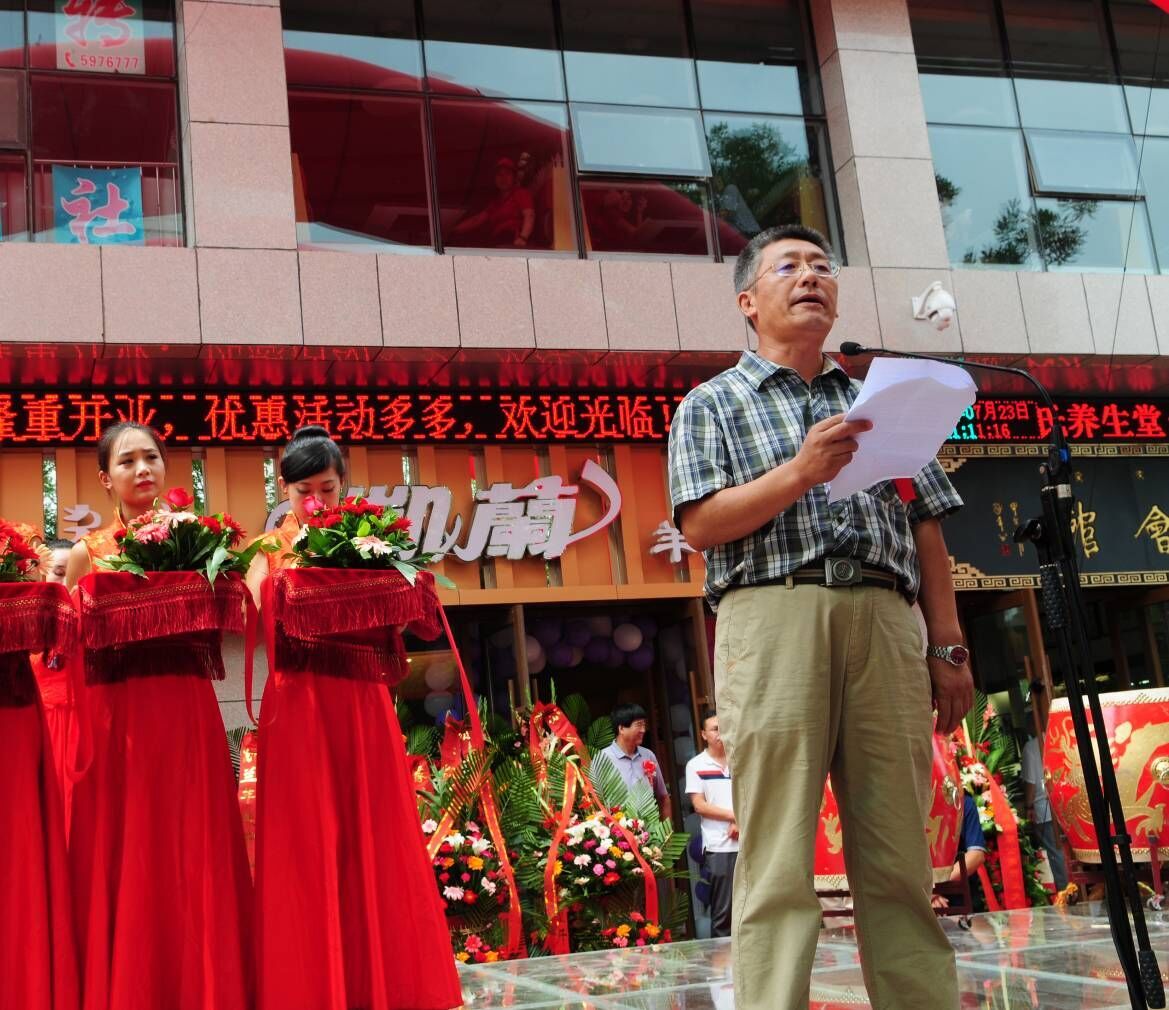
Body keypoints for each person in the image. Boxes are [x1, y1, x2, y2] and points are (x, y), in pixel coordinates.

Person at [668, 224, 972, 1010]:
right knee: (775, 854)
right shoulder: (711, 403)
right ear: (747, 301)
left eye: (821, 266)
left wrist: (947, 646)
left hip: (884, 616)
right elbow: (700, 525)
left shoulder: (877, 401)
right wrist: (801, 471)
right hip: (772, 615)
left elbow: (926, 527)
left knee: (897, 853)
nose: (810, 276)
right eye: (788, 267)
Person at [247, 425, 463, 1010]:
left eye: (327, 489)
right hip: (298, 708)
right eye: (303, 493)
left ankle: (386, 985)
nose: (317, 503)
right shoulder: (266, 550)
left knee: (375, 834)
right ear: (284, 490)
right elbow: (256, 615)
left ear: (343, 485)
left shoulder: (370, 541)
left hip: (362, 706)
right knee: (305, 842)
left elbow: (413, 619)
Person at [65, 421, 253, 1010]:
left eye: (151, 457)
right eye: (127, 462)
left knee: (192, 840)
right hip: (119, 719)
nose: (142, 469)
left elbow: (234, 616)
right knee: (133, 847)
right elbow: (66, 646)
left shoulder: (199, 542)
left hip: (187, 712)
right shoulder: (89, 553)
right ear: (105, 479)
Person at [0, 519, 80, 1010]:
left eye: (62, 573)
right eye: (49, 570)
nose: (54, 580)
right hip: (40, 724)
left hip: (64, 731)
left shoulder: (64, 624)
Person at [31, 537, 79, 838]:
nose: (65, 582)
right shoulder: (23, 624)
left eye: (74, 574)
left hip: (83, 736)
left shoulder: (91, 623)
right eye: (59, 572)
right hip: (39, 732)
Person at [685, 710, 738, 937]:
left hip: (750, 843)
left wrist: (741, 822)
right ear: (703, 734)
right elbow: (700, 806)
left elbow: (754, 797)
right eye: (715, 729)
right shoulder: (696, 765)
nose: (720, 733)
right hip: (719, 846)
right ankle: (722, 960)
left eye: (723, 727)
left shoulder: (741, 760)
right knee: (723, 915)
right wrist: (736, 817)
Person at [596, 701, 671, 821]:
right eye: (638, 725)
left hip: (650, 829)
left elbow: (663, 797)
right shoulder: (602, 758)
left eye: (644, 725)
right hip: (618, 830)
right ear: (621, 728)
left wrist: (667, 830)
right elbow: (595, 803)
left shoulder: (648, 755)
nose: (643, 730)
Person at [449, 156, 535, 248]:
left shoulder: (521, 193)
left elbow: (529, 215)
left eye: (507, 174)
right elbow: (476, 220)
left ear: (514, 177)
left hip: (511, 240)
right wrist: (452, 231)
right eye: (499, 174)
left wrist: (523, 238)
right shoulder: (496, 202)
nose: (503, 178)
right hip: (497, 241)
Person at [1023, 733, 1069, 890]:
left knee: (1056, 852)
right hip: (1065, 804)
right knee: (1067, 850)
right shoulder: (1060, 737)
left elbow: (1030, 782)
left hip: (1045, 808)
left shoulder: (1031, 747)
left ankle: (1066, 890)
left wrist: (1028, 806)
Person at [934, 794, 988, 911]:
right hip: (915, 897)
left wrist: (934, 887)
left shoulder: (963, 802)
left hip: (959, 895)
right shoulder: (910, 805)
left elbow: (976, 855)